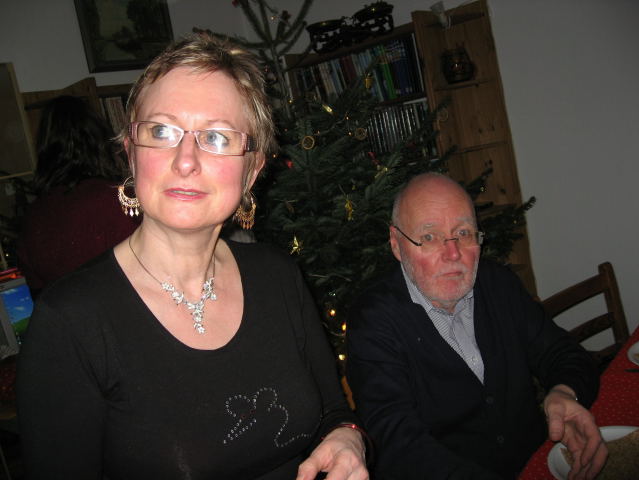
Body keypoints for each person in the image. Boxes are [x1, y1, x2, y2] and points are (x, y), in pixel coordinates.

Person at [17, 33, 369, 480]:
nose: (186, 160)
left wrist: (348, 436)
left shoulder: (278, 275)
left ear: (252, 169)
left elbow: (333, 411)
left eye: (217, 137)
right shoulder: (70, 322)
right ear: (130, 152)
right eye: (161, 131)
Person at [346, 172, 607, 480]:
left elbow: (563, 353)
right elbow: (396, 444)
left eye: (464, 233)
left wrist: (563, 393)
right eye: (429, 237)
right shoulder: (372, 320)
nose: (453, 254)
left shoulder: (498, 283)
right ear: (396, 244)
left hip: (539, 463)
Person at [17, 95, 138, 297]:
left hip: (69, 315)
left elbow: (37, 290)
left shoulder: (33, 216)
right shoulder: (117, 199)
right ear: (100, 141)